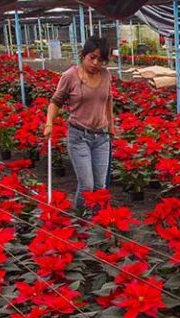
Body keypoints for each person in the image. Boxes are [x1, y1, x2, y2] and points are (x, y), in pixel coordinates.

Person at [45, 36, 116, 210]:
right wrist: (49, 123)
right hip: (79, 137)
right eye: (92, 57)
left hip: (102, 137)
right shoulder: (70, 76)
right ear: (83, 55)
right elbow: (55, 102)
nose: (95, 63)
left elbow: (108, 100)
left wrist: (111, 126)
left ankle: (96, 225)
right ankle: (80, 221)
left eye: (100, 60)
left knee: (100, 186)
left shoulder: (106, 75)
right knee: (87, 185)